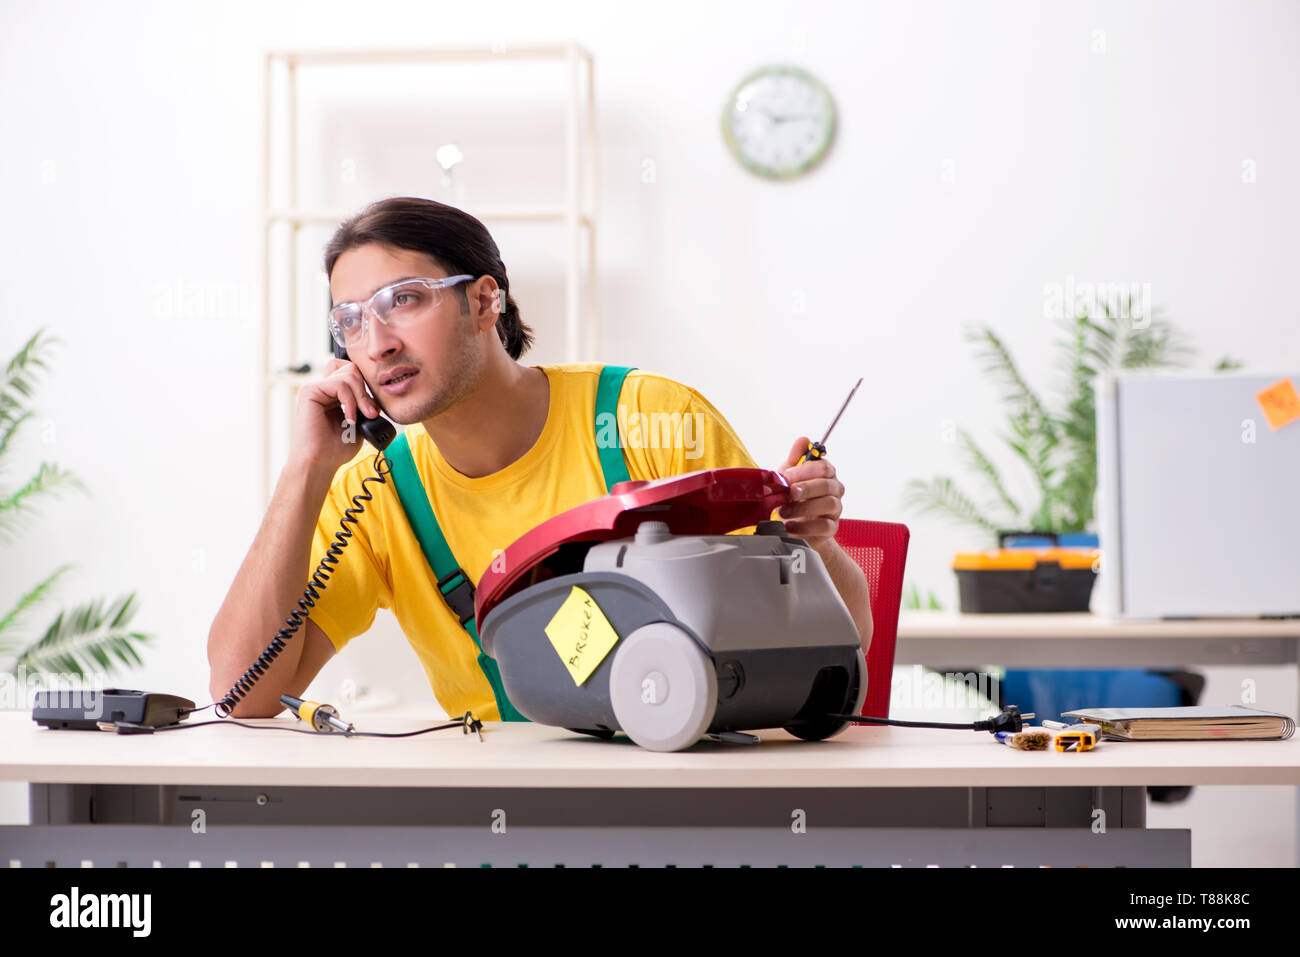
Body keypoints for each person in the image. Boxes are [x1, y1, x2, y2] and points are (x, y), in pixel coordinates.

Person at [207, 196, 872, 720]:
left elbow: (836, 645)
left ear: (483, 300)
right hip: (506, 821)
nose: (375, 343)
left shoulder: (650, 418)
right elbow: (242, 692)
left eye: (401, 300)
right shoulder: (379, 490)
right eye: (349, 320)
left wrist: (816, 545)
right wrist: (306, 470)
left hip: (683, 798)